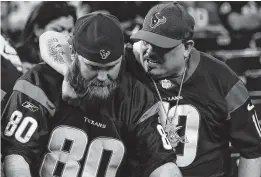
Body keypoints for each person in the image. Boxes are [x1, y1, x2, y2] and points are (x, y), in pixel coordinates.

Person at [1, 13, 182, 177]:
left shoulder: (138, 96)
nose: (102, 78)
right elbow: (17, 154)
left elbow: (161, 162)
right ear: (72, 53)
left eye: (111, 67)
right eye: (93, 67)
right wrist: (68, 74)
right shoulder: (40, 82)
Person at [127, 2, 261, 177]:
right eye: (146, 41)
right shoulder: (126, 68)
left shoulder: (222, 81)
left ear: (187, 47)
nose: (150, 51)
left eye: (161, 47)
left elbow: (252, 150)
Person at [15, 1, 76, 73]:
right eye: (58, 30)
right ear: (37, 29)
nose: (66, 37)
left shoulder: (76, 60)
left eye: (70, 31)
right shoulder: (17, 60)